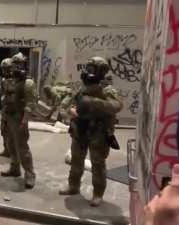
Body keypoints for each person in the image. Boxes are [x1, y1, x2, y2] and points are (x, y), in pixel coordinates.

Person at [59, 56, 123, 207]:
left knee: (98, 163)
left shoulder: (107, 89)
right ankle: (73, 186)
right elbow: (68, 104)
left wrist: (94, 103)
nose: (88, 72)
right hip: (80, 130)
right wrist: (71, 111)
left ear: (101, 71)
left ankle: (98, 193)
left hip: (98, 133)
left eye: (92, 69)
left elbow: (117, 105)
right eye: (87, 69)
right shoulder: (82, 88)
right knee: (76, 159)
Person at [0, 52, 37, 189]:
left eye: (19, 65)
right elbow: (1, 95)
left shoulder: (28, 83)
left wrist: (24, 120)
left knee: (22, 147)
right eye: (14, 65)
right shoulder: (9, 81)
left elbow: (31, 103)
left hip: (19, 118)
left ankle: (30, 174)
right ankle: (15, 168)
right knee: (10, 144)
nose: (15, 68)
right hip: (8, 116)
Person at [0, 58, 13, 158]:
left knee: (13, 132)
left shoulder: (19, 81)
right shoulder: (4, 81)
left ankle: (14, 152)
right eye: (4, 69)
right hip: (5, 109)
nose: (5, 71)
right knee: (4, 130)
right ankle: (6, 150)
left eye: (7, 69)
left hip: (14, 111)